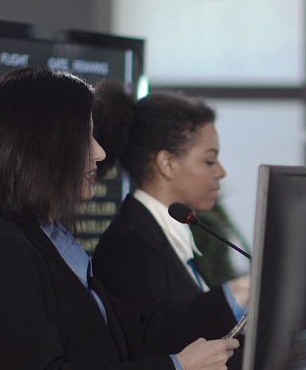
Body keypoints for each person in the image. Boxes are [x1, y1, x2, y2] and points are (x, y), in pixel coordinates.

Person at [0, 67, 239, 370]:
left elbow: (134, 337)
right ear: (43, 145)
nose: (100, 152)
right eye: (86, 136)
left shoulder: (51, 239)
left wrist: (233, 309)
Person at [91, 84, 248, 348]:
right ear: (167, 163)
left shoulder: (169, 230)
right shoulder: (129, 243)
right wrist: (240, 291)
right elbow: (160, 343)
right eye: (209, 161)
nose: (221, 172)